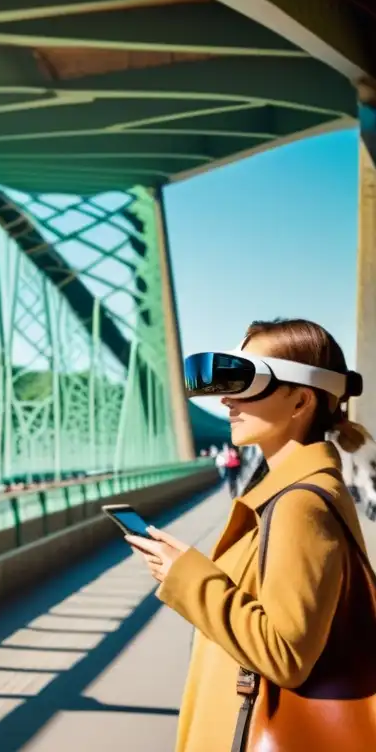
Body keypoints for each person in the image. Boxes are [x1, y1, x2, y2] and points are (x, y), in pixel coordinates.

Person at [124, 319, 372, 752]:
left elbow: (284, 654)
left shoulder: (300, 504)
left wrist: (189, 577)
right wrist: (186, 568)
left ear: (300, 400)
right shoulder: (292, 489)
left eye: (243, 381)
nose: (226, 399)